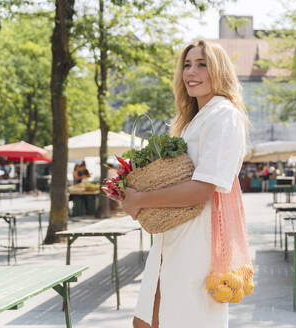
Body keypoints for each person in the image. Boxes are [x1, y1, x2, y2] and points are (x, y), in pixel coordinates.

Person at [104, 40, 249, 328]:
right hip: (173, 235)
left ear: (219, 70)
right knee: (147, 320)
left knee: (183, 320)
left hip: (200, 240)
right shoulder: (195, 119)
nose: (190, 72)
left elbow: (204, 188)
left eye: (201, 64)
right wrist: (135, 192)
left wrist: (141, 200)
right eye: (186, 64)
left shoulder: (224, 115)